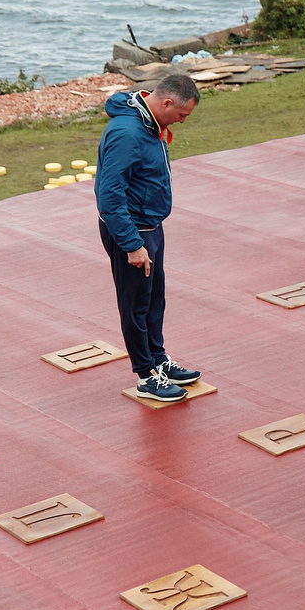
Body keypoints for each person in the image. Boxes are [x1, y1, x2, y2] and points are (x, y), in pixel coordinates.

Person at [96, 69, 203, 400]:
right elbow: (109, 196)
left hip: (151, 227)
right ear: (167, 102)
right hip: (133, 233)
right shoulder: (127, 133)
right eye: (182, 115)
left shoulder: (149, 125)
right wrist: (132, 245)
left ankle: (158, 360)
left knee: (155, 299)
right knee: (136, 305)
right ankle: (146, 376)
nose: (182, 121)